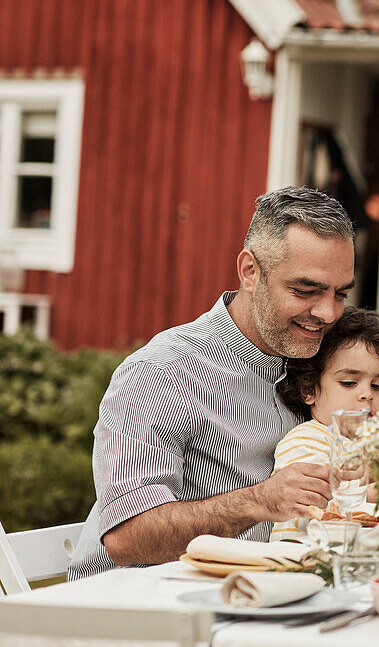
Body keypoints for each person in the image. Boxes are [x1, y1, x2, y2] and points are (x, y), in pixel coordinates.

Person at [68, 186, 356, 579]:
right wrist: (260, 501)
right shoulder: (164, 371)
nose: (327, 312)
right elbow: (126, 537)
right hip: (133, 614)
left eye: (340, 294)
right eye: (305, 290)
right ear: (250, 272)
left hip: (252, 600)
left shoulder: (318, 369)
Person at [269, 306, 379, 542]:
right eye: (349, 382)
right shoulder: (308, 439)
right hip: (301, 556)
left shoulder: (374, 446)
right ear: (309, 388)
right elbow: (315, 504)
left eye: (377, 386)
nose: (367, 394)